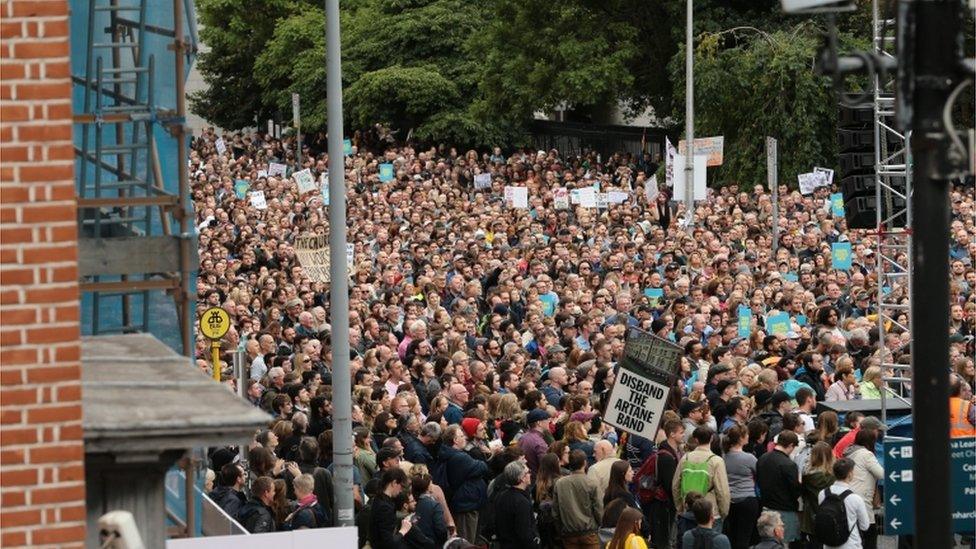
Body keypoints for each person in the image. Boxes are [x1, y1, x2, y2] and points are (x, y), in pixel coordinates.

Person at [435, 424, 488, 543]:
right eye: (461, 436)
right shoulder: (459, 457)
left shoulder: (451, 454)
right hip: (466, 505)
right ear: (455, 440)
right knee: (467, 540)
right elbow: (483, 467)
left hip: (467, 503)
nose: (465, 438)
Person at [673, 427, 730, 533]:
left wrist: (680, 508)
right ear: (712, 438)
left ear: (696, 440)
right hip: (710, 512)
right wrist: (723, 512)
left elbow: (676, 485)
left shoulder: (685, 458)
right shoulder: (716, 461)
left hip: (689, 509)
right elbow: (722, 491)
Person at [756, 431, 801, 546]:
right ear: (790, 445)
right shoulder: (789, 465)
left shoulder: (762, 458)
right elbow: (795, 490)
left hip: (766, 508)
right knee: (783, 543)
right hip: (785, 510)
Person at [552, 449, 603, 549]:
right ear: (585, 463)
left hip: (569, 533)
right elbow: (598, 509)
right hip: (589, 533)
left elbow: (555, 512)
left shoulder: (560, 483)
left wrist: (561, 530)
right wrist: (599, 525)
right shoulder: (591, 483)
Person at [841, 429, 883, 549]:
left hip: (849, 495)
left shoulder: (849, 452)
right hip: (862, 498)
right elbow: (882, 474)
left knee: (855, 531)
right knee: (870, 533)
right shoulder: (866, 454)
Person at [816, 458, 870, 549]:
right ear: (850, 474)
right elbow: (864, 526)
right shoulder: (855, 498)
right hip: (851, 544)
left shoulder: (822, 494)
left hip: (828, 544)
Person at [722, 425, 759, 549]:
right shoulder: (749, 458)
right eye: (746, 434)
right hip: (747, 498)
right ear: (741, 438)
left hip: (730, 500)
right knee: (745, 536)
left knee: (732, 534)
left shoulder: (724, 457)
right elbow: (759, 473)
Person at [492, 460, 541, 549]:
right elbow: (525, 533)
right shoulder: (521, 502)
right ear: (521, 478)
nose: (530, 474)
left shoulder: (501, 496)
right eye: (528, 472)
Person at [368, 468, 415, 548]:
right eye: (401, 486)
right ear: (394, 483)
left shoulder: (379, 499)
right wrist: (403, 530)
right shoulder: (385, 507)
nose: (401, 491)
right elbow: (389, 542)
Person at [800, 441, 835, 544]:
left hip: (811, 519)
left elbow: (803, 494)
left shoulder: (806, 476)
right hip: (831, 517)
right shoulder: (834, 476)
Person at [587, 439, 621, 504]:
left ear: (603, 450)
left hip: (604, 508)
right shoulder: (623, 464)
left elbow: (592, 495)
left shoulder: (594, 469)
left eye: (595, 451)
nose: (593, 455)